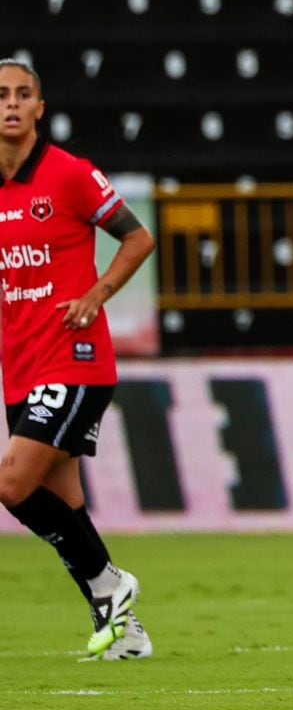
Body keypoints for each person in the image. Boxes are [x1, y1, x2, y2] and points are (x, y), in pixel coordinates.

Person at [0, 59, 156, 660]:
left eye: (23, 95)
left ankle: (111, 586)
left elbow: (138, 237)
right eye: (2, 96)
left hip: (76, 358)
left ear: (40, 109)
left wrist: (97, 294)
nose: (12, 104)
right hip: (21, 363)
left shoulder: (69, 174)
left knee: (13, 485)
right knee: (63, 503)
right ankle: (126, 631)